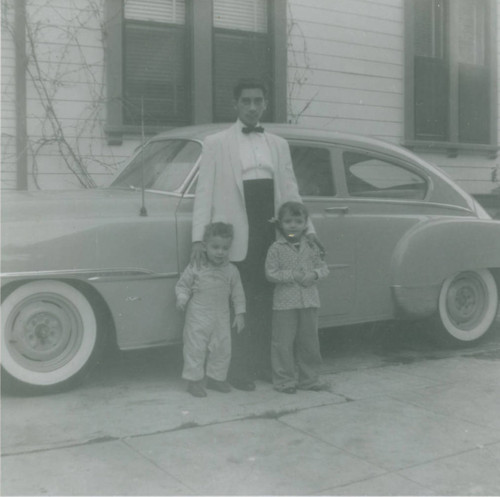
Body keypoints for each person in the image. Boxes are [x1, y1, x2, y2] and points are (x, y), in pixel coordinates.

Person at [191, 78, 324, 391]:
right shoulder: (216, 143)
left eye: (258, 101)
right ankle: (239, 370)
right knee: (240, 301)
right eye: (246, 101)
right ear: (236, 104)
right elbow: (204, 193)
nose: (252, 107)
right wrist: (198, 238)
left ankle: (267, 366)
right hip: (236, 233)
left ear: (265, 104)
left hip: (270, 229)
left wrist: (309, 230)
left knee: (271, 302)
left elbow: (290, 192)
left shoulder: (278, 144)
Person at [265, 202, 329, 394]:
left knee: (309, 342)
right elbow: (270, 273)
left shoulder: (311, 246)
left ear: (305, 224)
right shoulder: (276, 248)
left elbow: (323, 267)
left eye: (298, 221)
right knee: (282, 343)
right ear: (281, 224)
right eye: (288, 221)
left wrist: (315, 275)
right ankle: (285, 381)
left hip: (309, 300)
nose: (293, 225)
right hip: (285, 303)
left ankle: (309, 380)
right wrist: (292, 275)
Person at [176, 222, 245, 398]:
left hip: (221, 315)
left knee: (222, 348)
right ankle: (194, 381)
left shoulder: (231, 270)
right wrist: (182, 298)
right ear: (205, 246)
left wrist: (240, 313)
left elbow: (238, 293)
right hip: (198, 315)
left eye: (225, 248)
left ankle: (216, 378)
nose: (220, 252)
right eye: (215, 247)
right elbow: (183, 285)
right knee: (195, 347)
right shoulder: (196, 266)